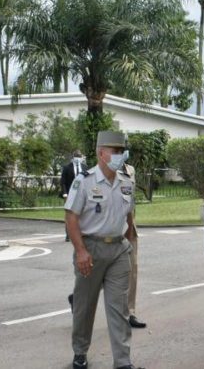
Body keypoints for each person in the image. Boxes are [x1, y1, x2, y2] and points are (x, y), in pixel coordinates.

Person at [63, 131, 142, 369]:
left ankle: (123, 362)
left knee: (119, 310)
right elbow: (71, 218)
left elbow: (129, 217)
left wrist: (127, 245)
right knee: (85, 307)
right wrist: (80, 251)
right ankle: (80, 352)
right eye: (115, 151)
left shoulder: (127, 182)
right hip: (92, 249)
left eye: (121, 151)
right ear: (101, 153)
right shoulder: (84, 182)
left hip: (118, 250)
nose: (120, 155)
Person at [121, 164, 146, 329]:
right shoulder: (103, 171)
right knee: (100, 273)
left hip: (130, 228)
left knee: (132, 271)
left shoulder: (131, 170)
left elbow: (131, 201)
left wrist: (131, 226)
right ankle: (78, 297)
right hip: (110, 229)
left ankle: (130, 312)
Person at [61, 150, 88, 241]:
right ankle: (68, 234)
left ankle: (81, 233)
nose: (78, 158)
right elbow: (63, 182)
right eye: (76, 156)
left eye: (79, 156)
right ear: (73, 157)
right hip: (69, 194)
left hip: (82, 194)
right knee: (69, 214)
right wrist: (65, 193)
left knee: (82, 214)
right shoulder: (67, 168)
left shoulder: (85, 167)